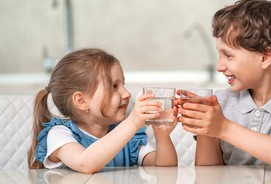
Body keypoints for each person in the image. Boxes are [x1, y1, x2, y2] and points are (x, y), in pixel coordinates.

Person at [178, 0, 271, 173]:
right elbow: (208, 176)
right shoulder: (220, 103)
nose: (219, 66)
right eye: (219, 54)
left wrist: (223, 127)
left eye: (228, 56)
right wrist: (206, 129)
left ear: (265, 57)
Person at [28, 48, 178, 174]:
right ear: (81, 101)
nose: (127, 94)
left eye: (123, 84)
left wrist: (162, 137)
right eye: (114, 87)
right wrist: (132, 123)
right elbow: (85, 163)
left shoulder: (129, 138)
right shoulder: (60, 135)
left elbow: (163, 168)